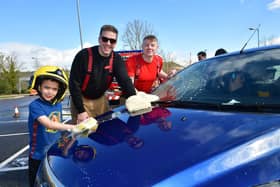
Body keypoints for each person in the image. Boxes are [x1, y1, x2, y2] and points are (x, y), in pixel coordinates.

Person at [69, 25, 136, 123]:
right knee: (84, 134)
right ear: (99, 39)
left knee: (105, 129)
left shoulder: (116, 59)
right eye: (105, 39)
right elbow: (73, 84)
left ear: (115, 43)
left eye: (112, 41)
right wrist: (81, 111)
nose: (108, 43)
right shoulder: (83, 56)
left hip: (100, 99)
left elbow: (125, 82)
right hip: (81, 100)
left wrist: (134, 100)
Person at [28, 66, 77, 187]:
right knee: (36, 181)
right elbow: (49, 124)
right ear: (39, 86)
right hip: (38, 153)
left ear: (59, 91)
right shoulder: (35, 106)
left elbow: (58, 127)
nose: (50, 92)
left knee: (51, 179)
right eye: (46, 87)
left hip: (54, 149)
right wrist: (72, 127)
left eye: (54, 89)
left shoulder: (58, 105)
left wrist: (66, 146)